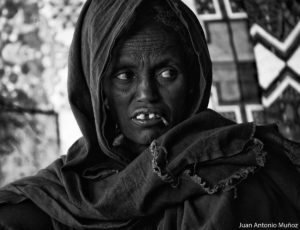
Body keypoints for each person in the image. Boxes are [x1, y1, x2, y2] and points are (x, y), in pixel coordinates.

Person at [0, 0, 299, 229]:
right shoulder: (64, 191)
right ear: (98, 91)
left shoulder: (240, 170)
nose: (146, 93)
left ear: (194, 83)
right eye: (124, 75)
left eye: (167, 73)